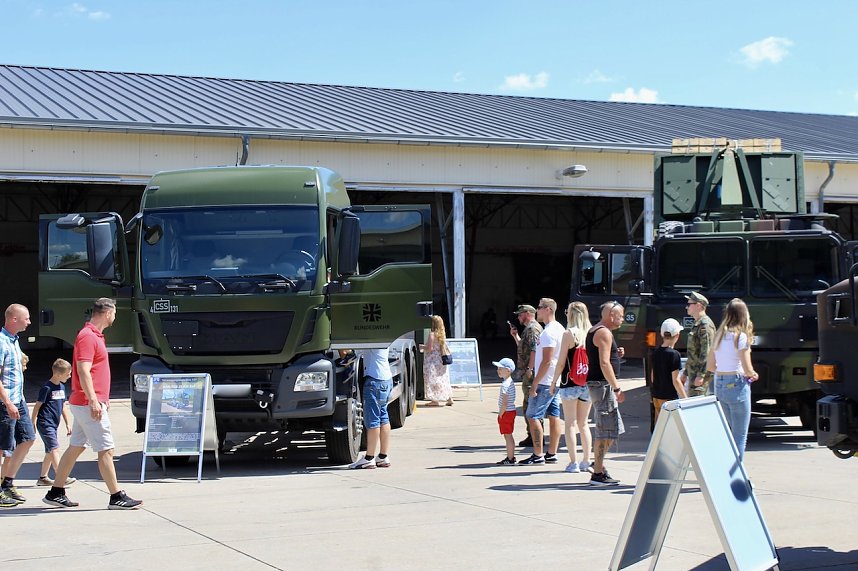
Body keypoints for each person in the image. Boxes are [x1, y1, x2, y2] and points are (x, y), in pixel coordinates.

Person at [43, 298, 143, 510]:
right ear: (107, 313)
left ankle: (55, 492)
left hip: (86, 402)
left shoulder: (93, 335)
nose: (115, 317)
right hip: (87, 403)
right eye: (114, 313)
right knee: (106, 449)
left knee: (76, 447)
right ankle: (116, 496)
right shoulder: (88, 336)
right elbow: (83, 370)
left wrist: (101, 399)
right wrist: (94, 401)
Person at [707, 298, 758, 461]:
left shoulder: (718, 336)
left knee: (730, 432)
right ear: (744, 315)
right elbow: (747, 368)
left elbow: (710, 366)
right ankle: (736, 472)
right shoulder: (741, 337)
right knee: (740, 435)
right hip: (737, 384)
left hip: (720, 384)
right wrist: (753, 374)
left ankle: (726, 466)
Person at [519, 298, 564, 466]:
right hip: (555, 380)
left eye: (539, 307)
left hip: (545, 381)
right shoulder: (559, 328)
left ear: (548, 309)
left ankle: (537, 454)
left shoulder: (549, 332)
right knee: (554, 416)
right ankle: (552, 453)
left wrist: (535, 383)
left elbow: (547, 360)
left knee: (532, 416)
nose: (537, 311)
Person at [586, 301, 626, 486]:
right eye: (620, 316)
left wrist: (616, 354)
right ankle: (598, 473)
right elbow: (604, 363)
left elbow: (603, 358)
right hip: (603, 386)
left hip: (601, 386)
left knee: (612, 429)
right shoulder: (603, 332)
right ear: (611, 315)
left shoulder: (598, 331)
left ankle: (598, 464)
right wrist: (616, 388)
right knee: (606, 431)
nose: (622, 319)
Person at [0, 303, 36, 507]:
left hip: (18, 399)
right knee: (2, 447)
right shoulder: (1, 341)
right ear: (14, 319)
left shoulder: (14, 340)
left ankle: (7, 483)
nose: (29, 322)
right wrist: (7, 402)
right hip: (5, 403)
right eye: (26, 318)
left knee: (28, 438)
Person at [551, 301, 593, 473]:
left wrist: (553, 382)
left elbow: (561, 362)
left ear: (572, 314)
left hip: (569, 382)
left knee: (570, 423)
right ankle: (586, 460)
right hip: (587, 383)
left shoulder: (569, 334)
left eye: (567, 311)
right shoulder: (591, 332)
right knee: (584, 424)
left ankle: (573, 462)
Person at [32, 358, 78, 486]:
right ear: (58, 374)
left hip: (54, 424)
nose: (69, 376)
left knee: (49, 451)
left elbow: (63, 406)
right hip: (45, 423)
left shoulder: (61, 387)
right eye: (67, 374)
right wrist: (33, 421)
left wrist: (68, 423)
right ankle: (61, 475)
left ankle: (43, 478)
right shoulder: (47, 388)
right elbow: (37, 405)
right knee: (54, 449)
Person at [349, 348, 393, 469]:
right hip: (386, 379)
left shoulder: (372, 340)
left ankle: (369, 458)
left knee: (373, 420)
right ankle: (383, 456)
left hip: (374, 381)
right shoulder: (384, 339)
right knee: (383, 417)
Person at [508, 304, 542, 447]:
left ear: (528, 313)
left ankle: (535, 437)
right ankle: (532, 435)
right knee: (528, 404)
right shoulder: (528, 329)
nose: (518, 317)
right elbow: (524, 349)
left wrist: (530, 368)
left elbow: (535, 350)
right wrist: (515, 336)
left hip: (531, 374)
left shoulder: (533, 329)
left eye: (520, 314)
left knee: (531, 405)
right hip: (528, 373)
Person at [650, 318, 687, 426]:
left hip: (656, 396)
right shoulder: (674, 354)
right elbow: (676, 380)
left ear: (662, 335)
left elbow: (652, 377)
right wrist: (685, 399)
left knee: (659, 426)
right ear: (677, 335)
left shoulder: (655, 353)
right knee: (671, 427)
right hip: (670, 399)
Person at [680, 291, 715, 397]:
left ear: (698, 305)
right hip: (694, 373)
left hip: (699, 375)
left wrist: (701, 375)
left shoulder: (705, 325)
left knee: (698, 402)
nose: (687, 307)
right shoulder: (697, 324)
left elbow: (707, 352)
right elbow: (693, 353)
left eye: (689, 304)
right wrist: (685, 373)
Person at [422, 315, 454, 406]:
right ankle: (449, 398)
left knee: (432, 379)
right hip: (441, 360)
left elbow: (429, 348)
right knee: (443, 379)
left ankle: (434, 400)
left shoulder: (432, 334)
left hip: (432, 360)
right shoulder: (442, 334)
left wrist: (421, 346)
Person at [493, 357, 517, 465]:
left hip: (506, 412)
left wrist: (501, 414)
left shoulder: (505, 385)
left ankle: (510, 458)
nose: (498, 371)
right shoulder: (510, 382)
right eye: (498, 368)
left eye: (500, 369)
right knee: (509, 434)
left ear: (508, 370)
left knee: (508, 435)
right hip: (511, 411)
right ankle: (510, 456)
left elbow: (505, 402)